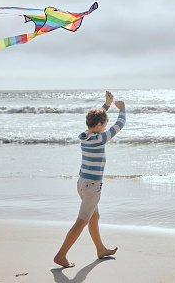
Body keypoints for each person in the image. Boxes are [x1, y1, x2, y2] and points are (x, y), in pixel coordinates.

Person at [54, 91, 126, 268]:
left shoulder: (85, 136)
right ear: (100, 125)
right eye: (104, 125)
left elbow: (95, 120)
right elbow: (120, 124)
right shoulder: (100, 139)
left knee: (94, 216)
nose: (105, 128)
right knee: (81, 221)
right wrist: (122, 109)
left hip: (82, 183)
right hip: (92, 186)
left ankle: (100, 249)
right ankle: (61, 255)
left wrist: (106, 105)